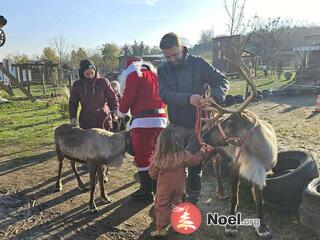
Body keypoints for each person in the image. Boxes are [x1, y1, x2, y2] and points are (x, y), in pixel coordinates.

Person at [157, 32, 229, 204]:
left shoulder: (199, 64)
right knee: (175, 164)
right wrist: (188, 98)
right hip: (176, 125)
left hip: (200, 125)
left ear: (182, 47)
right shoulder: (163, 70)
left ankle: (193, 200)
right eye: (168, 57)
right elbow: (164, 94)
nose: (172, 59)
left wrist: (215, 99)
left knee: (195, 166)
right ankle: (175, 198)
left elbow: (221, 80)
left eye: (175, 54)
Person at [117, 57, 168, 202]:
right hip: (161, 120)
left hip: (143, 121)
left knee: (143, 155)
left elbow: (127, 98)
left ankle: (146, 191)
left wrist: (120, 113)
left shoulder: (134, 76)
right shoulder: (155, 76)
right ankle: (156, 187)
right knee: (157, 154)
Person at [148, 128, 210, 237]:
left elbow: (152, 174)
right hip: (180, 187)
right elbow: (195, 160)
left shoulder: (158, 158)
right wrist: (202, 151)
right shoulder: (183, 155)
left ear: (160, 143)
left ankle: (161, 229)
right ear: (177, 141)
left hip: (164, 188)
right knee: (177, 204)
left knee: (161, 205)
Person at [69, 59, 119, 130]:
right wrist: (73, 116)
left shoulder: (103, 82)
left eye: (92, 73)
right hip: (86, 121)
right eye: (87, 74)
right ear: (81, 73)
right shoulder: (77, 85)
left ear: (95, 70)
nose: (90, 76)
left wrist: (115, 110)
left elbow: (112, 98)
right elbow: (73, 102)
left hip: (104, 119)